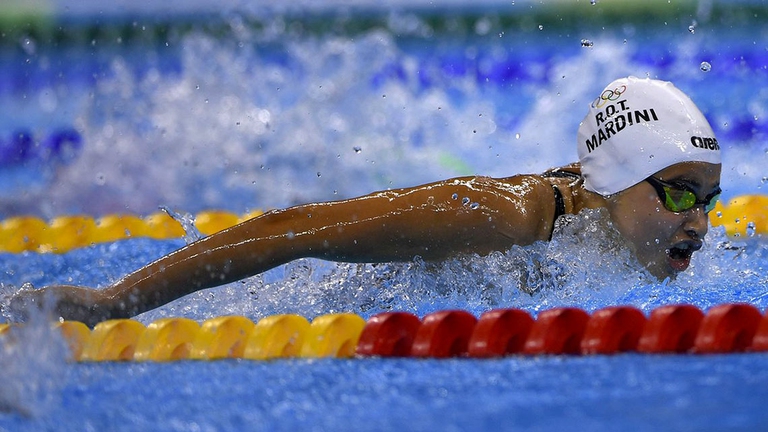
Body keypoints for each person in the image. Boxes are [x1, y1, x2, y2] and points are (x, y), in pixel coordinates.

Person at [6, 76, 722, 327]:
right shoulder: (502, 217)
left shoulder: (627, 242)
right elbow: (294, 229)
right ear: (617, 177)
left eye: (712, 199)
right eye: (682, 191)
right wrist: (114, 303)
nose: (700, 219)